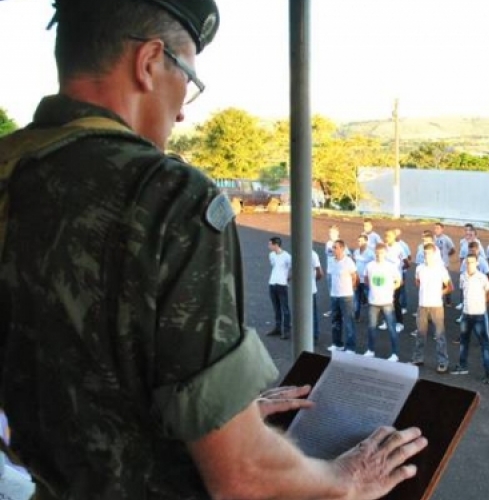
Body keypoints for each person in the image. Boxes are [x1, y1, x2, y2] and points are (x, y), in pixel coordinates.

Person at [0, 0, 426, 498]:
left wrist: (220, 417)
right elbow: (242, 476)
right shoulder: (166, 196)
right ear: (149, 62)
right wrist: (345, 481)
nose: (182, 110)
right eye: (187, 80)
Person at [450, 254, 489, 384]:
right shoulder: (463, 276)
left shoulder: (482, 277)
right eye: (467, 262)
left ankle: (488, 374)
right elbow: (462, 292)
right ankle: (463, 366)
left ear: (477, 263)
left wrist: (481, 303)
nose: (469, 265)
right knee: (464, 342)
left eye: (472, 262)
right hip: (465, 314)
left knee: (484, 345)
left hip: (479, 315)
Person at [412, 244, 454, 373]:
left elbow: (450, 287)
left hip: (436, 306)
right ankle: (418, 358)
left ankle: (443, 362)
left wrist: (439, 293)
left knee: (439, 335)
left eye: (429, 253)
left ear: (434, 253)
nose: (427, 256)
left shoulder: (440, 269)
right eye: (425, 253)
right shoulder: (419, 268)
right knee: (420, 333)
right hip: (422, 305)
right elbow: (417, 282)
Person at [364, 244, 402, 361]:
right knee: (371, 327)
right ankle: (370, 350)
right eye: (377, 253)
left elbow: (398, 281)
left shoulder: (390, 267)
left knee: (391, 328)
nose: (378, 255)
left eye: (380, 253)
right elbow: (366, 279)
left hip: (387, 302)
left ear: (385, 253)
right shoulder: (370, 266)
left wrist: (391, 290)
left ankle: (395, 353)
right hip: (373, 301)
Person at [327, 240, 359, 353]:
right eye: (332, 247)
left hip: (346, 296)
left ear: (342, 248)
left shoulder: (348, 261)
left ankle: (351, 347)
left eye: (335, 247)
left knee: (348, 322)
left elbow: (354, 277)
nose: (333, 249)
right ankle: (337, 343)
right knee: (335, 321)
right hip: (334, 295)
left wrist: (352, 289)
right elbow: (331, 277)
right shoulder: (331, 261)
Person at [267, 236, 292, 339]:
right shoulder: (271, 255)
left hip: (282, 284)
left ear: (276, 245)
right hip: (272, 283)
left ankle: (286, 330)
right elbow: (273, 265)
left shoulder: (287, 256)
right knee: (276, 307)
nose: (268, 246)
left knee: (284, 308)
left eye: (270, 244)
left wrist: (287, 279)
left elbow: (293, 268)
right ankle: (278, 328)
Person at [352, 234, 375, 323]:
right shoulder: (356, 252)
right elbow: (354, 263)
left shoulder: (371, 253)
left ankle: (373, 317)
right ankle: (357, 316)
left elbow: (374, 265)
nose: (360, 242)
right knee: (356, 299)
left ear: (366, 241)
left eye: (362, 241)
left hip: (367, 280)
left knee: (370, 299)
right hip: (357, 280)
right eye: (358, 241)